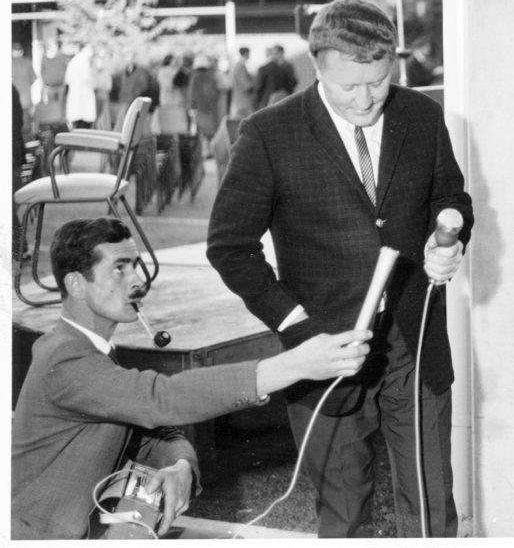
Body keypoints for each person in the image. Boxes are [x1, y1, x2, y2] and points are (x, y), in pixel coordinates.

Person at [207, 0, 473, 538]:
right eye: (348, 86)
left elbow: (452, 196)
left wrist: (450, 231)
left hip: (414, 343)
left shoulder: (421, 115)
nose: (366, 99)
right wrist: (297, 328)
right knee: (344, 514)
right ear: (317, 65)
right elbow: (230, 246)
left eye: (378, 81)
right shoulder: (268, 133)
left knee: (431, 508)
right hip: (322, 346)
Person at [11, 217, 372, 540]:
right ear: (76, 285)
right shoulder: (64, 357)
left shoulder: (93, 351)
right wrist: (291, 366)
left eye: (136, 264)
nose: (139, 280)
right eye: (120, 268)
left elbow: (158, 435)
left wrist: (179, 465)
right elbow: (160, 399)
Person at [253, 43, 297, 109]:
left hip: (269, 101)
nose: (275, 55)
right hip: (282, 100)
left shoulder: (286, 67)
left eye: (275, 53)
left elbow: (259, 88)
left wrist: (256, 102)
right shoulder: (283, 67)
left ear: (280, 53)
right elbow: (293, 82)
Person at [229, 46, 256, 117]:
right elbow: (246, 85)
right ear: (246, 53)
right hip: (243, 101)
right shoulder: (240, 67)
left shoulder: (240, 66)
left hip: (242, 100)